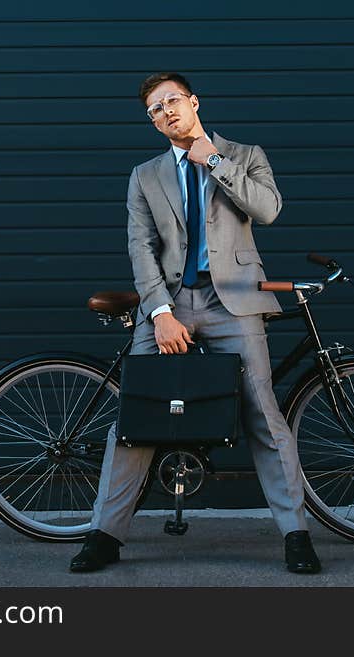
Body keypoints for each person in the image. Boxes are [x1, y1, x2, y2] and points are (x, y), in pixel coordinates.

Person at [70, 72, 322, 574]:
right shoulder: (145, 175)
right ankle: (105, 534)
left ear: (193, 102)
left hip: (233, 301)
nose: (164, 113)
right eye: (154, 111)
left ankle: (296, 534)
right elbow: (141, 247)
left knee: (264, 416)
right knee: (134, 419)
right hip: (170, 300)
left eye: (171, 102)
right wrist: (160, 313)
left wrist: (212, 159)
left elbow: (268, 210)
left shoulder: (246, 155)